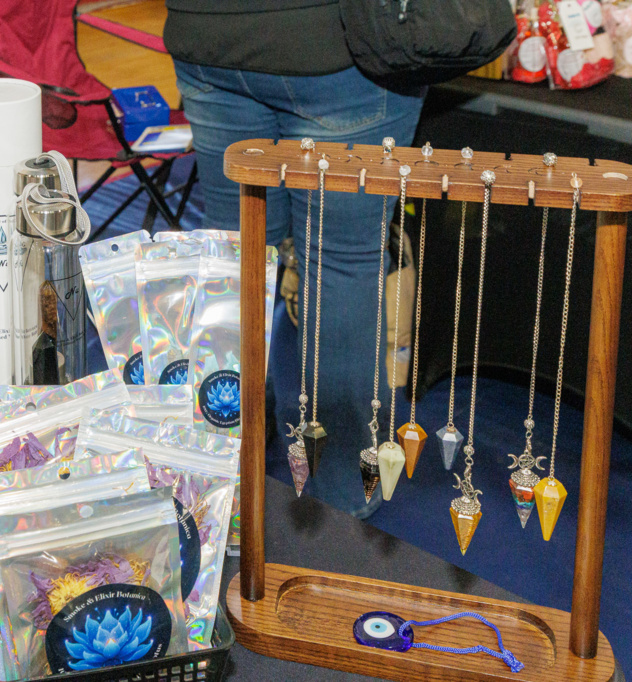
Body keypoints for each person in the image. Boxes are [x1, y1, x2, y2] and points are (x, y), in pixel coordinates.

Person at [164, 0, 426, 517]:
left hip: (209, 35)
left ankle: (222, 463)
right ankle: (342, 495)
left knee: (235, 255)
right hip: (337, 47)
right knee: (341, 264)